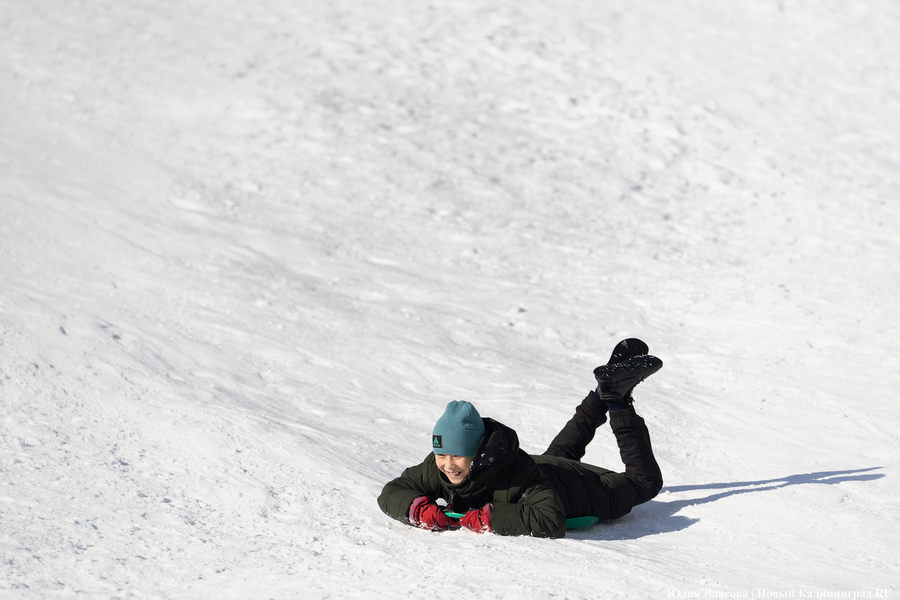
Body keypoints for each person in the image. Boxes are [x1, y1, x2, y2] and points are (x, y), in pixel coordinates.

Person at [377, 338, 665, 538]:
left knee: (645, 483)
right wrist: (415, 508)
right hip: (547, 466)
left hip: (586, 489)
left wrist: (492, 518)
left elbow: (550, 520)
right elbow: (391, 491)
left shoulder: (521, 476)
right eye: (442, 454)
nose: (448, 465)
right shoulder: (437, 466)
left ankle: (616, 402)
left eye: (457, 455)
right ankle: (603, 392)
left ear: (478, 451)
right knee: (557, 455)